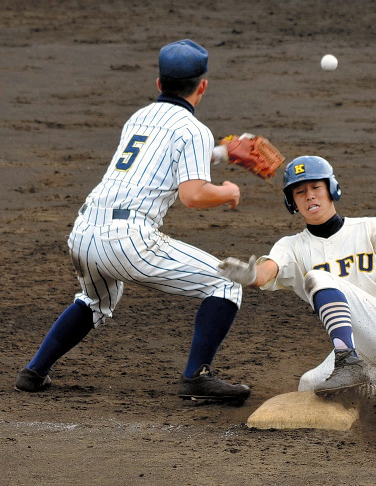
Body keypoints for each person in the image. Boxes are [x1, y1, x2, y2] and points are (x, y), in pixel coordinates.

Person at [15, 39, 250, 404]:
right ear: (203, 86)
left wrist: (222, 152)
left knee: (95, 301)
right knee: (226, 283)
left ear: (159, 84)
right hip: (127, 240)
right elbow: (193, 195)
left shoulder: (138, 118)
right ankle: (196, 377)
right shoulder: (192, 129)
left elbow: (159, 160)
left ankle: (33, 372)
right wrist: (229, 190)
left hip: (84, 232)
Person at [218, 155, 376, 411]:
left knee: (317, 277)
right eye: (300, 192)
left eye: (316, 187)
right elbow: (265, 272)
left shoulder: (369, 227)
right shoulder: (291, 246)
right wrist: (250, 277)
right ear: (291, 201)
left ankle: (347, 362)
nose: (309, 196)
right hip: (365, 353)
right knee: (310, 385)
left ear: (331, 189)